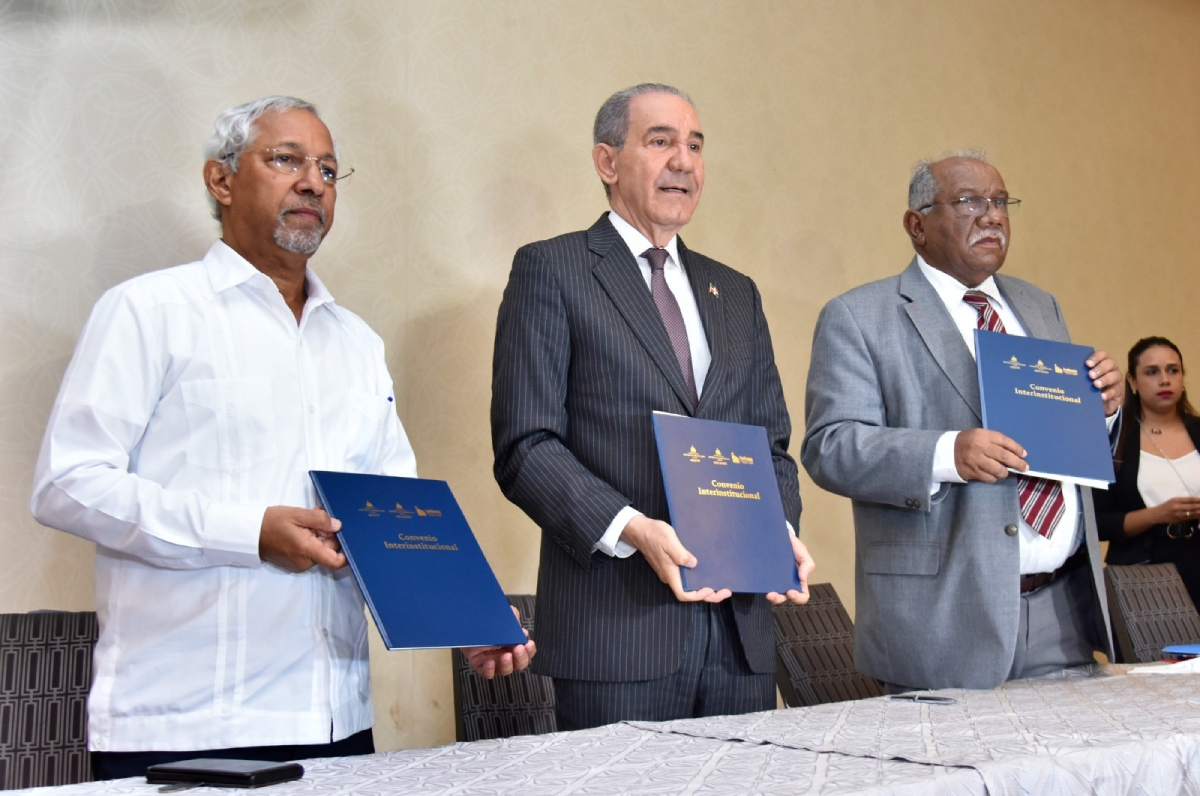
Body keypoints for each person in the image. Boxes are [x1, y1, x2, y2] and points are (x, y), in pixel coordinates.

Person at [31, 96, 533, 780]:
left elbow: (392, 513)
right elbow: (68, 485)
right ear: (221, 180)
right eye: (286, 159)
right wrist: (249, 531)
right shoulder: (148, 312)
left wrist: (460, 615)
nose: (313, 182)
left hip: (336, 716)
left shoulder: (356, 343)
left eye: (328, 169)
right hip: (184, 719)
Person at [491, 83, 814, 731]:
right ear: (607, 162)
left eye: (695, 145)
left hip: (738, 636)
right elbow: (526, 446)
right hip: (617, 634)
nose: (685, 162)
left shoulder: (738, 294)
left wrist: (776, 532)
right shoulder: (552, 271)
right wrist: (633, 527)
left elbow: (770, 445)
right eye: (661, 141)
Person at [801, 151, 1121, 691]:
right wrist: (947, 454)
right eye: (970, 201)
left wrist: (1103, 410)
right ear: (916, 225)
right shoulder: (859, 316)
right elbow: (831, 447)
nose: (992, 215)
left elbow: (1059, 433)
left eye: (1001, 202)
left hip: (1063, 608)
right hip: (941, 619)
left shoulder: (1039, 305)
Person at [1095, 337, 1200, 608]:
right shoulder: (1114, 438)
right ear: (1132, 381)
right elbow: (1097, 523)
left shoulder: (1197, 431)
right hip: (1143, 574)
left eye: (1172, 370)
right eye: (1152, 372)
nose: (1164, 380)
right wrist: (1158, 515)